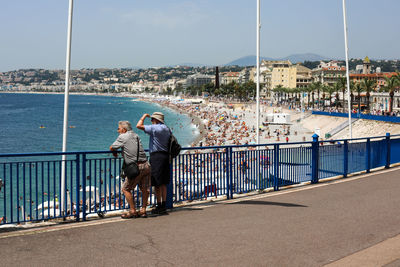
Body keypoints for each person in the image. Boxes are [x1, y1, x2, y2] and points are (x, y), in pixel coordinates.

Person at [110, 121, 150, 219]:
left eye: (118, 129)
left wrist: (114, 152)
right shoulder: (136, 135)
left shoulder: (122, 137)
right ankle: (143, 210)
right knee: (144, 188)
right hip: (146, 164)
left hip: (137, 167)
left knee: (126, 189)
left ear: (124, 129)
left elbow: (112, 147)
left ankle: (132, 211)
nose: (118, 131)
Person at [137, 112, 171, 215]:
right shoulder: (167, 128)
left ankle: (159, 206)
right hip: (166, 156)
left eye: (152, 120)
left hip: (156, 156)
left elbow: (138, 126)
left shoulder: (155, 128)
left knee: (157, 183)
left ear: (156, 120)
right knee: (164, 183)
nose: (151, 122)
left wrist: (143, 116)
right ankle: (163, 206)